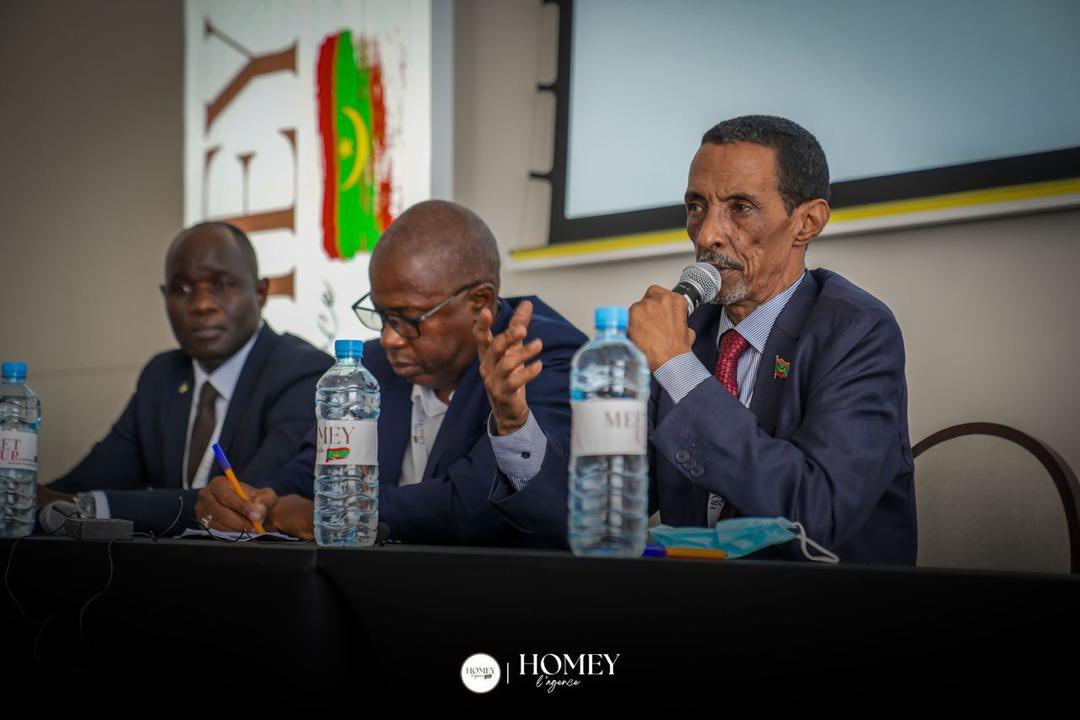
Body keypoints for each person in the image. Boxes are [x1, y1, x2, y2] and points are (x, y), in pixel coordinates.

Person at [482, 115, 917, 564]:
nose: (707, 234)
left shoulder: (857, 331)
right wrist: (515, 425)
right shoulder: (690, 331)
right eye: (696, 206)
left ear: (807, 222)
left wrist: (676, 364)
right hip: (694, 597)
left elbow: (817, 514)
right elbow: (598, 515)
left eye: (740, 208)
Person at [195, 200, 587, 546]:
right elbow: (312, 471)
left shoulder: (541, 356)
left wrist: (334, 510)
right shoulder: (371, 365)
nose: (389, 338)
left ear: (479, 302)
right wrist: (255, 501)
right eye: (381, 316)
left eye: (407, 318)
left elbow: (474, 504)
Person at [43, 222, 333, 533]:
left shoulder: (304, 372)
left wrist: (85, 506)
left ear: (260, 293)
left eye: (221, 284)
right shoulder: (161, 375)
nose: (201, 305)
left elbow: (247, 500)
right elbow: (91, 478)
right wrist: (28, 496)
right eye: (181, 289)